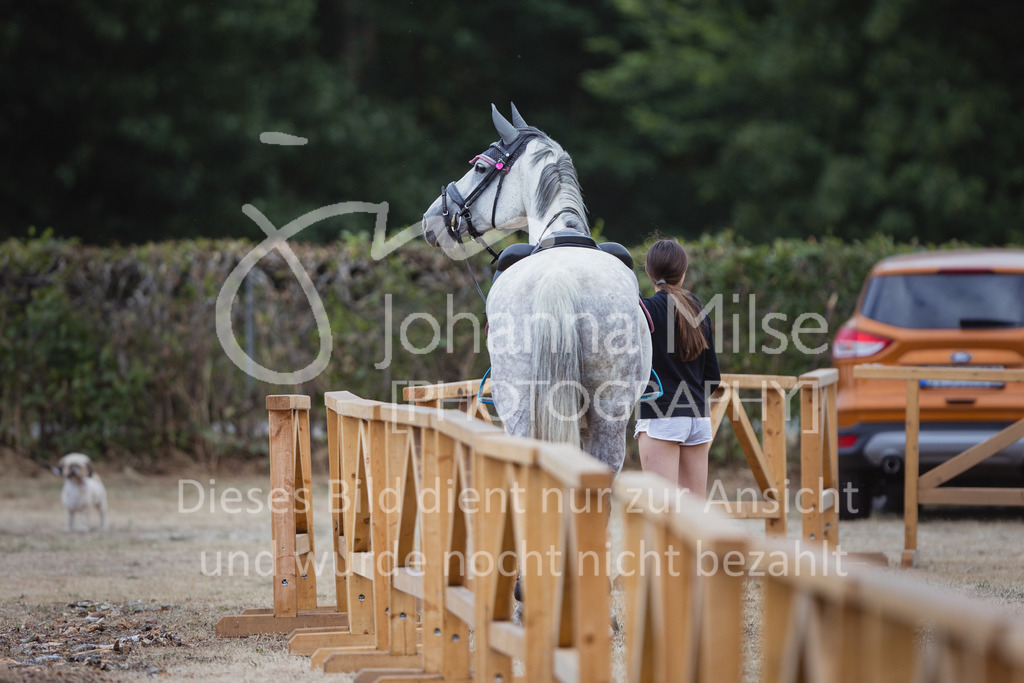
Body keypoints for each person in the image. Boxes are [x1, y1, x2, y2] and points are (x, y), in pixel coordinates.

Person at [636, 239, 721, 498]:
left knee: (661, 514)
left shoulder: (644, 310)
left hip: (661, 417)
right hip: (697, 416)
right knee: (693, 518)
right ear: (683, 272)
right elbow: (712, 377)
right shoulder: (697, 309)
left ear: (649, 272)